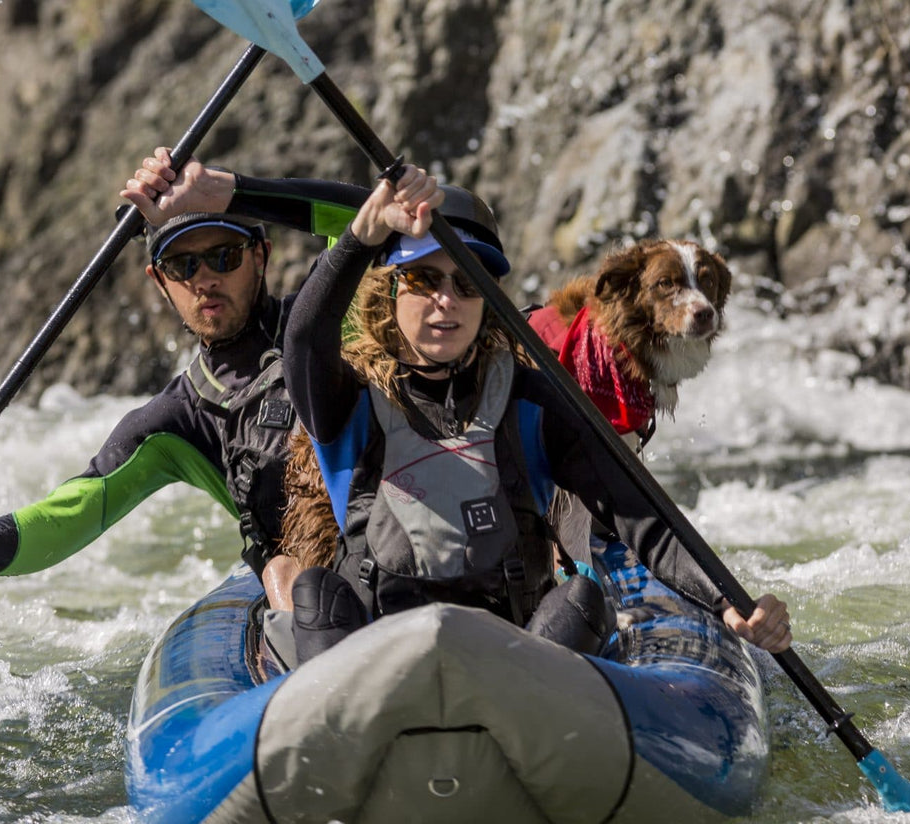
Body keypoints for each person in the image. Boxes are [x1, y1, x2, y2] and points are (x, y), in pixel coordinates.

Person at [280, 165, 794, 660]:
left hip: (514, 662)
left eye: (467, 284)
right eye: (422, 280)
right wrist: (361, 236)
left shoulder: (533, 400)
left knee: (581, 600)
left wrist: (729, 601)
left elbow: (642, 518)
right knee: (315, 592)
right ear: (389, 291)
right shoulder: (345, 400)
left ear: (487, 301)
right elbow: (305, 337)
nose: (446, 301)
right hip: (376, 658)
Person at [0, 151, 372, 609]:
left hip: (404, 533)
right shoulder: (177, 421)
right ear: (159, 281)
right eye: (181, 265)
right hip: (316, 594)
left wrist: (233, 189)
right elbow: (64, 519)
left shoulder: (332, 312)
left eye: (224, 256)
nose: (205, 279)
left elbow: (375, 216)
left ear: (260, 256)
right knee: (286, 576)